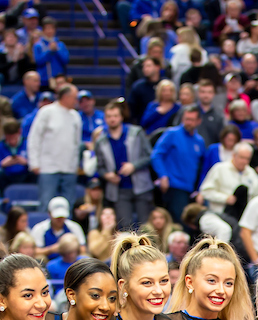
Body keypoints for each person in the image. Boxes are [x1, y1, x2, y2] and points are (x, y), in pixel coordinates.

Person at [94, 100, 154, 230]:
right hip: (118, 189)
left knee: (145, 226)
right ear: (105, 119)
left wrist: (134, 166)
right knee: (125, 227)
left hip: (141, 185)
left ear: (121, 117)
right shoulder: (101, 141)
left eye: (115, 116)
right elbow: (100, 167)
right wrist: (107, 175)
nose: (112, 119)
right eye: (109, 116)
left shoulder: (136, 132)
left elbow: (150, 156)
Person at [28, 85, 82, 211]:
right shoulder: (47, 112)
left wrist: (75, 165)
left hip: (69, 168)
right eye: (74, 98)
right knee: (46, 203)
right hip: (48, 167)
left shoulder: (75, 116)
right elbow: (35, 137)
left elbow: (76, 143)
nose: (76, 101)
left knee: (68, 205)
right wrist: (34, 162)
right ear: (66, 97)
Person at [150, 105, 206, 222]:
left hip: (189, 189)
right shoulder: (172, 134)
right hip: (174, 185)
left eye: (192, 120)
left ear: (199, 121)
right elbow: (156, 155)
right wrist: (163, 176)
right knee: (179, 221)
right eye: (186, 119)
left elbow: (200, 167)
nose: (188, 122)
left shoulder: (199, 141)